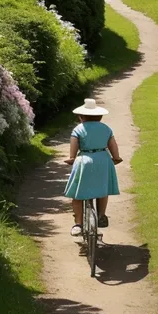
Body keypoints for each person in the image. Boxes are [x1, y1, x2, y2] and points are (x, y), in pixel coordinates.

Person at [64, 98, 122, 236]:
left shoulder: (78, 129)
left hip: (85, 160)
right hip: (103, 159)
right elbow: (112, 144)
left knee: (77, 194)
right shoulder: (106, 128)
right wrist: (116, 157)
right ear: (100, 116)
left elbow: (74, 146)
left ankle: (78, 224)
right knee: (103, 190)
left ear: (81, 117)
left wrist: (72, 158)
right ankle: (101, 215)